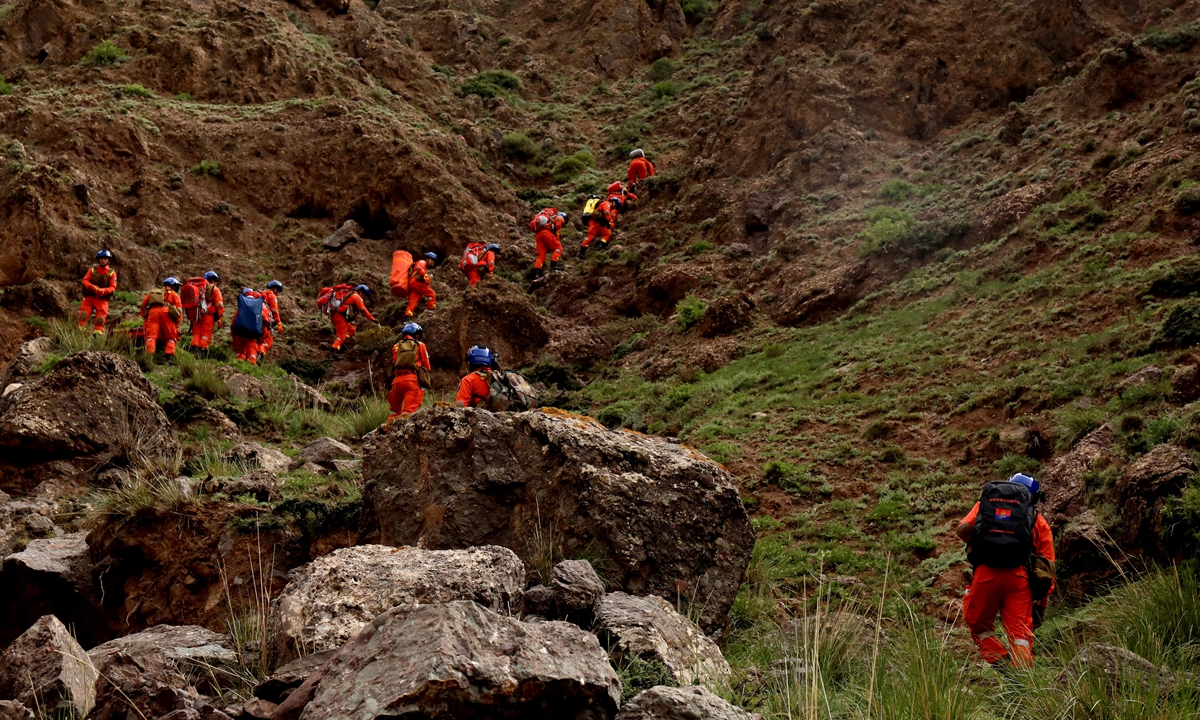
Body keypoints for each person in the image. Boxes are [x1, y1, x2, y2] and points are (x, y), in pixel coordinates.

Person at [956, 473, 1055, 669]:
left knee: (979, 627)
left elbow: (962, 531)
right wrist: (1041, 605)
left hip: (985, 575)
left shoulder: (983, 507)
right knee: (1020, 637)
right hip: (1019, 580)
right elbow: (1047, 569)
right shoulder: (1038, 521)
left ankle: (1002, 665)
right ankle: (1021, 682)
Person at [387, 323, 431, 421]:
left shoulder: (396, 347)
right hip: (411, 381)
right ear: (416, 334)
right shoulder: (420, 345)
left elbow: (394, 363)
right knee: (408, 413)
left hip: (396, 382)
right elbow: (427, 366)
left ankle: (387, 432)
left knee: (394, 412)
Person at [140, 277, 183, 364]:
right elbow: (179, 311)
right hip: (166, 313)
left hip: (153, 313)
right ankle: (169, 359)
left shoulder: (153, 292)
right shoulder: (174, 295)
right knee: (171, 337)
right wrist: (177, 325)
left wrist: (145, 316)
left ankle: (149, 357)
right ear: (173, 286)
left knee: (151, 336)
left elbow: (144, 303)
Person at [78, 250, 117, 334]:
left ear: (108, 260)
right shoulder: (92, 270)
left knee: (100, 320)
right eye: (101, 258)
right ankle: (79, 335)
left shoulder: (111, 273)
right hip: (89, 298)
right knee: (83, 316)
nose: (103, 260)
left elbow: (113, 287)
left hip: (102, 300)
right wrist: (92, 287)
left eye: (105, 259)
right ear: (98, 259)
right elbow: (85, 280)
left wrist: (103, 291)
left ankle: (97, 337)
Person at [230, 288, 271, 365]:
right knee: (251, 353)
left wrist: (233, 334)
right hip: (252, 335)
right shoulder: (257, 308)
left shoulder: (241, 308)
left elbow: (233, 322)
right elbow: (266, 320)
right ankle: (250, 370)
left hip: (240, 334)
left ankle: (238, 367)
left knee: (240, 353)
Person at [331, 284, 377, 352]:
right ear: (361, 292)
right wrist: (372, 319)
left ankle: (340, 343)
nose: (364, 297)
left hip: (336, 316)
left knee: (352, 330)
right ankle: (333, 351)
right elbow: (362, 309)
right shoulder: (356, 296)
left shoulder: (351, 295)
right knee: (341, 336)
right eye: (364, 295)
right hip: (340, 317)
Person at [189, 271, 224, 358]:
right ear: (212, 280)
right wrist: (220, 317)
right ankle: (202, 352)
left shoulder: (196, 288)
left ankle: (193, 350)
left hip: (196, 314)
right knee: (206, 334)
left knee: (196, 333)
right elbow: (219, 304)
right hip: (208, 316)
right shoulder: (214, 289)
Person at [406, 252, 438, 317]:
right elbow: (418, 267)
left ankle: (407, 318)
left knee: (413, 301)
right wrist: (426, 276)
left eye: (433, 261)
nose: (432, 262)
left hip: (412, 284)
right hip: (416, 283)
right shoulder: (422, 262)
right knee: (431, 294)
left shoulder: (424, 265)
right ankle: (431, 310)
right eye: (431, 260)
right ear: (427, 259)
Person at [259, 280, 284, 358]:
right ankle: (260, 353)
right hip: (265, 320)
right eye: (278, 290)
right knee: (268, 339)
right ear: (275, 288)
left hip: (257, 319)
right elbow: (274, 310)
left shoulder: (261, 294)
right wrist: (278, 323)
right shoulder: (272, 295)